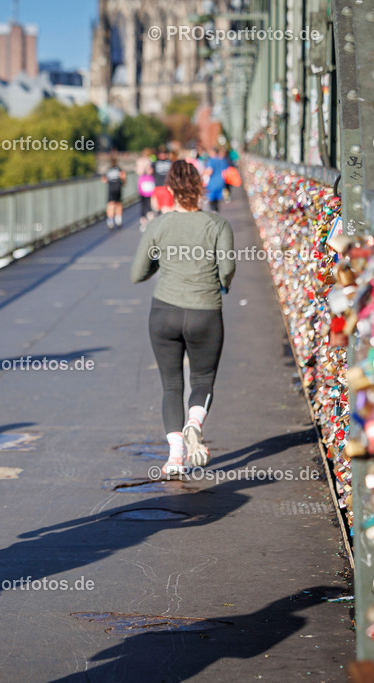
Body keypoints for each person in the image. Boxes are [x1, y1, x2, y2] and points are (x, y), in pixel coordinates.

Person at [130, 160, 235, 476]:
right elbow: (227, 269)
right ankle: (194, 424)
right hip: (205, 311)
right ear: (201, 187)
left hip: (164, 312)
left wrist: (159, 264)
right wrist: (222, 284)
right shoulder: (218, 224)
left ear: (171, 190)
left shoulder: (159, 225)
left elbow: (137, 273)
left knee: (171, 385)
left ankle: (175, 459)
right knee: (202, 379)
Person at [102, 158, 124, 229]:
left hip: (111, 189)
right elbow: (123, 176)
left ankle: (110, 220)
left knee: (110, 205)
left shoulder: (108, 170)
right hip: (118, 188)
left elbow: (104, 180)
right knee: (118, 204)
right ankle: (118, 219)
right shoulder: (119, 169)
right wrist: (123, 182)